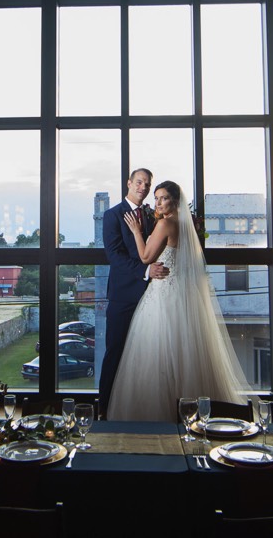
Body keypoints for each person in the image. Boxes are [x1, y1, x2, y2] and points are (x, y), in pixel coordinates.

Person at [107, 180, 248, 421]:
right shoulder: (185, 225)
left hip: (162, 295)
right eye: (157, 198)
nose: (158, 203)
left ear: (174, 201)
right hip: (180, 295)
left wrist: (135, 232)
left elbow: (144, 257)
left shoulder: (164, 224)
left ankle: (155, 419)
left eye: (163, 198)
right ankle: (198, 415)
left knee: (156, 353)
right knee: (183, 353)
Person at [99, 168, 170, 416]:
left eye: (147, 184)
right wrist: (145, 271)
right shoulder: (112, 215)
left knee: (148, 355)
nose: (143, 187)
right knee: (115, 353)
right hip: (123, 297)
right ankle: (105, 412)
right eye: (139, 182)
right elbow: (115, 257)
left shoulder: (153, 216)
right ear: (129, 183)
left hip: (154, 297)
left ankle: (139, 411)